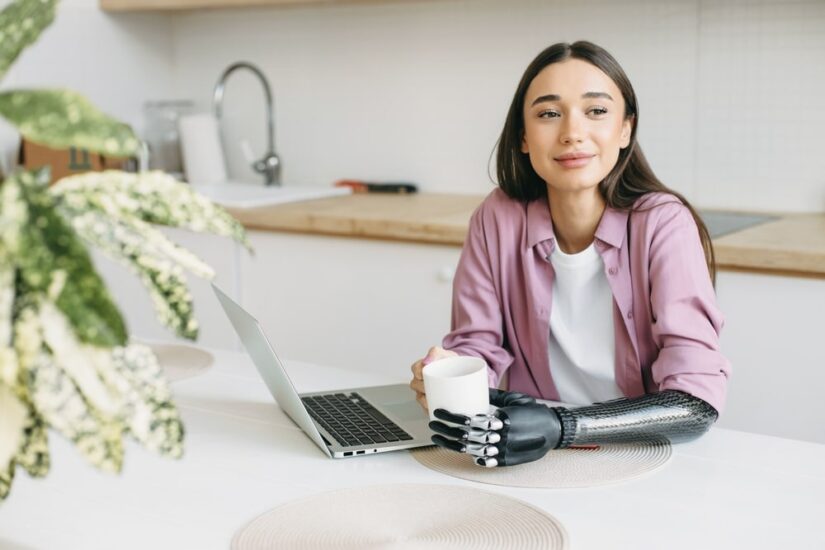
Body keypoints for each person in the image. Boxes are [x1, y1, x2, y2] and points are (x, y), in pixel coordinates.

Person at [409, 40, 731, 467]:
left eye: (596, 111)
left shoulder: (663, 223)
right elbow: (477, 346)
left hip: (643, 448)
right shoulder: (498, 216)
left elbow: (696, 403)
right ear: (523, 137)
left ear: (625, 129)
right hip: (528, 448)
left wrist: (563, 428)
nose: (572, 133)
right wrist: (451, 375)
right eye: (548, 113)